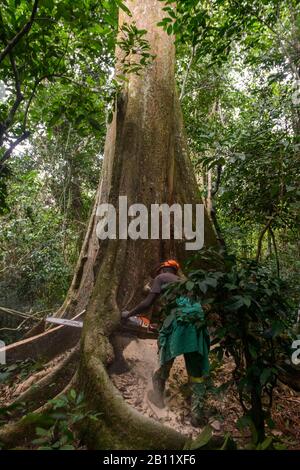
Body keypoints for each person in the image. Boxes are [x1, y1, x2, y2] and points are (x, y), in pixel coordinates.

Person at [121, 259, 212, 427]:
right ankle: (197, 415)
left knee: (165, 363)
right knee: (196, 372)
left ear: (163, 270)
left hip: (179, 323)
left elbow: (147, 303)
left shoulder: (161, 278)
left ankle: (158, 399)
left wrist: (127, 315)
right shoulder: (186, 283)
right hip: (197, 324)